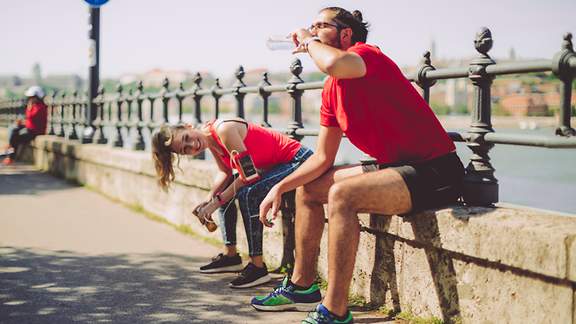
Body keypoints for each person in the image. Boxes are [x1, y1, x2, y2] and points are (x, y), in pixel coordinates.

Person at [251, 7, 465, 324]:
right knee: (309, 189)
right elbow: (323, 157)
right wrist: (280, 187)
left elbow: (334, 62)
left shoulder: (366, 56)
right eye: (311, 27)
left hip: (434, 170)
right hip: (393, 167)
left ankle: (335, 310)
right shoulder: (330, 89)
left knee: (343, 195)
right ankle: (301, 284)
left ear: (345, 33)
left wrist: (307, 40)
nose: (312, 31)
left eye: (321, 26)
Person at [151, 118, 313, 288]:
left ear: (188, 126)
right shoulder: (209, 139)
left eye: (186, 138)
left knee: (248, 194)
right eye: (186, 149)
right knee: (227, 190)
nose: (193, 145)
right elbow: (225, 171)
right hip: (277, 166)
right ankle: (231, 257)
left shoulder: (224, 130)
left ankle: (257, 267)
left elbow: (248, 175)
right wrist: (210, 198)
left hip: (298, 161)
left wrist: (216, 202)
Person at [2, 86, 48, 165]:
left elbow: (31, 117)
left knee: (15, 138)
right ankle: (9, 149)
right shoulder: (34, 106)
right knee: (13, 129)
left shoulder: (40, 107)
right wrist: (22, 122)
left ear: (37, 97)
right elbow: (30, 120)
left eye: (32, 97)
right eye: (29, 97)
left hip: (35, 131)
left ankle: (10, 156)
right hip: (30, 128)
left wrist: (29, 108)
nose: (30, 99)